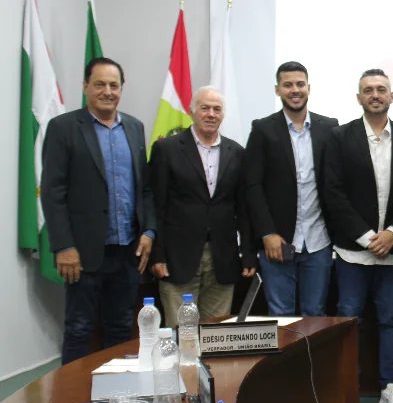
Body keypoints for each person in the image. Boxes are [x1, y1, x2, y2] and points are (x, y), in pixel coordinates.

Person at [41, 57, 156, 364]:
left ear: (121, 88)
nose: (108, 91)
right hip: (82, 253)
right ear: (86, 87)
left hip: (127, 251)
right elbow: (53, 193)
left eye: (114, 85)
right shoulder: (64, 128)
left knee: (121, 327)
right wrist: (64, 246)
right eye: (100, 84)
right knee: (79, 329)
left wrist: (148, 230)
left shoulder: (134, 127)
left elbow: (144, 187)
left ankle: (118, 396)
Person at [324, 69, 393, 403]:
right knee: (349, 318)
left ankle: (390, 388)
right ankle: (346, 385)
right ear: (359, 98)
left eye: (381, 89)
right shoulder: (339, 138)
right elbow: (333, 194)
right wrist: (367, 238)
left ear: (392, 97)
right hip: (352, 251)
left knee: (391, 320)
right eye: (368, 90)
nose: (375, 94)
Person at [149, 86, 256, 327]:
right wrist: (158, 255)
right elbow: (156, 206)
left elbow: (243, 208)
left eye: (217, 109)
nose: (211, 114)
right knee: (181, 334)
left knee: (215, 335)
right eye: (204, 108)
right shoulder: (167, 150)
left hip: (223, 259)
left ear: (223, 114)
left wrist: (248, 252)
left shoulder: (236, 152)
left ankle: (211, 368)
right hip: (177, 259)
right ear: (192, 111)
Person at [243, 62, 338, 316]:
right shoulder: (262, 129)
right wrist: (266, 233)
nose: (294, 90)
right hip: (278, 242)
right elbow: (252, 187)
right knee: (281, 317)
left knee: (315, 316)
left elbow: (334, 185)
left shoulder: (329, 128)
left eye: (299, 84)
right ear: (278, 90)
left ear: (309, 88)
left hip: (318, 243)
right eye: (287, 85)